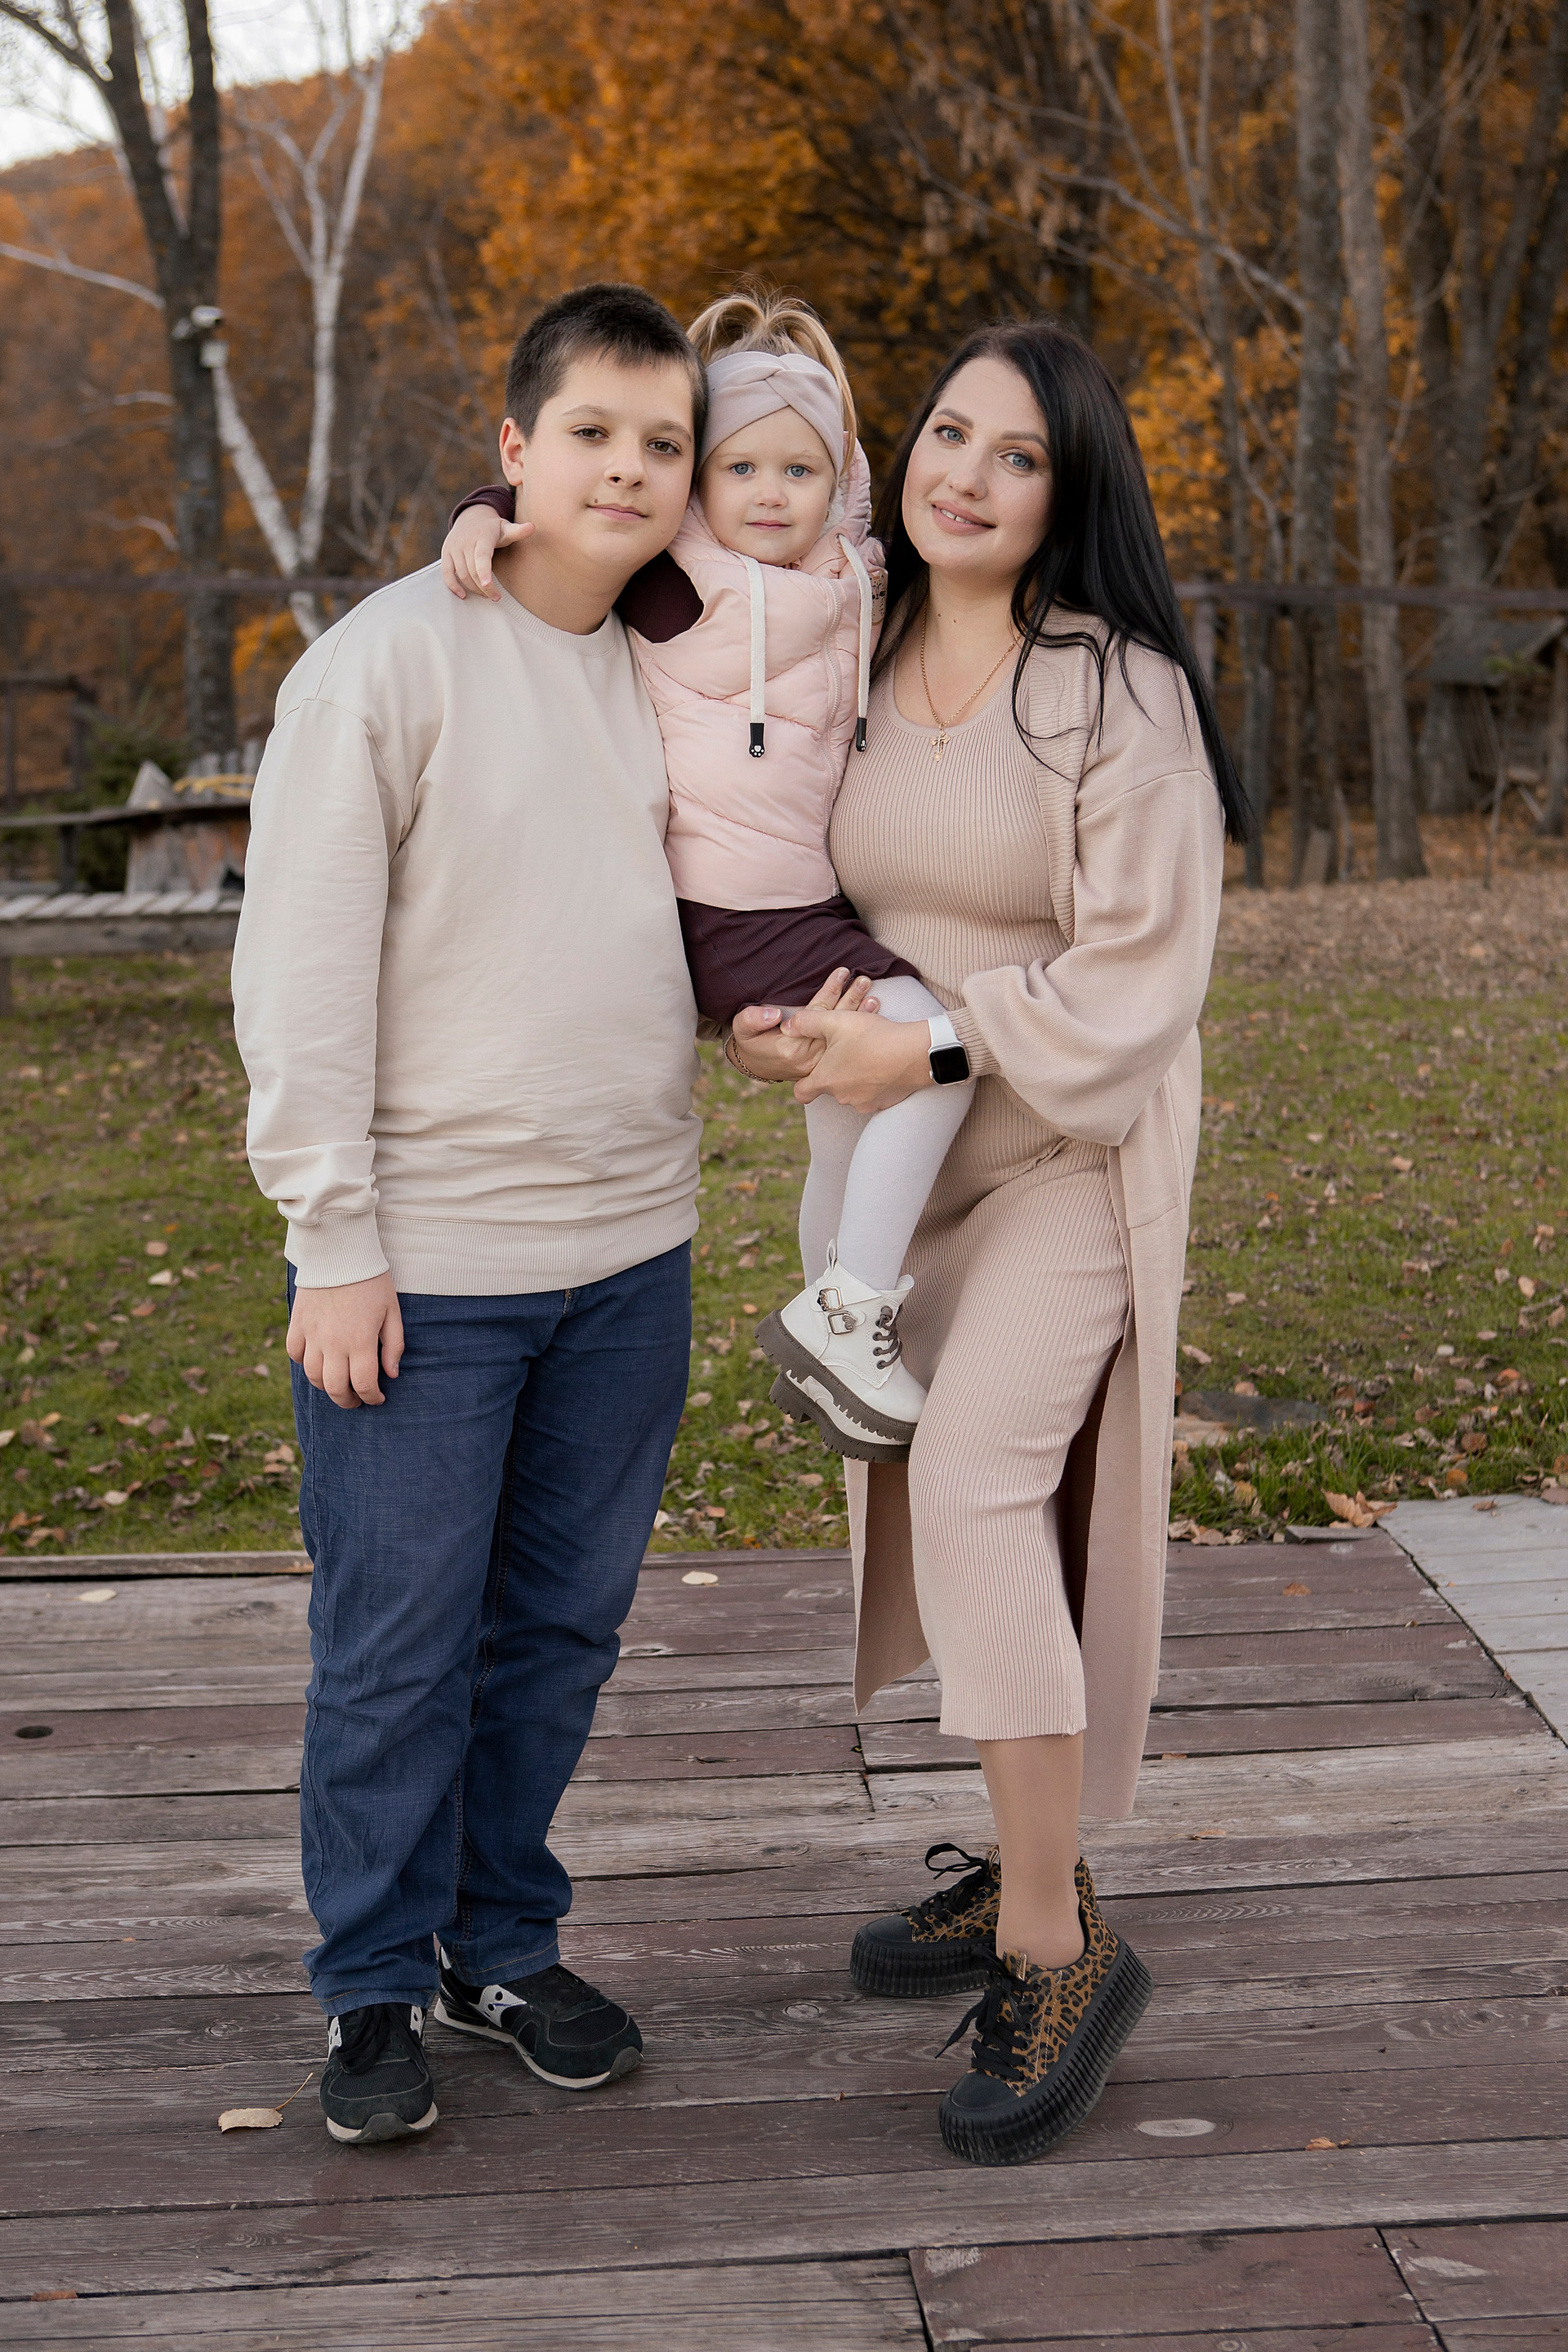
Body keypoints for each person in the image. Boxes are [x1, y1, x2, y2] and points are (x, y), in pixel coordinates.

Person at [731, 319, 1246, 2166]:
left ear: (1067, 491)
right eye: (950, 432)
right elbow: (758, 835)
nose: (966, 474)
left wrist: (932, 1044)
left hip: (1070, 1158)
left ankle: (1054, 1945)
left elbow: (1144, 978)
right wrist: (774, 1022)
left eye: (1018, 456)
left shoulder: (1116, 692)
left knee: (974, 1483)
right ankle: (1033, 1864)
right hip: (901, 1171)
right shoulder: (850, 643)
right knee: (958, 1510)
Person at [232, 282, 725, 2146]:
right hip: (427, 1264)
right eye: (591, 432)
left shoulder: (680, 669)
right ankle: (369, 1981)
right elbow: (299, 970)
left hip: (632, 1247)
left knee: (560, 1635)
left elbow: (835, 532)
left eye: (663, 443)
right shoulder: (385, 664)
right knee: (397, 1648)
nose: (630, 468)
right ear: (516, 448)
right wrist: (333, 1240)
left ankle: (495, 1942)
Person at [442, 287, 976, 1465]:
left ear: (838, 478)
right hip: (730, 910)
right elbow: (569, 516)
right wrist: (484, 511)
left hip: (799, 900)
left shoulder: (856, 576)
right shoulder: (676, 579)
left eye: (800, 469)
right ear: (701, 482)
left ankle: (835, 1318)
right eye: (740, 469)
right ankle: (852, 1313)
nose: (770, 494)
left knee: (848, 1110)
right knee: (936, 1054)